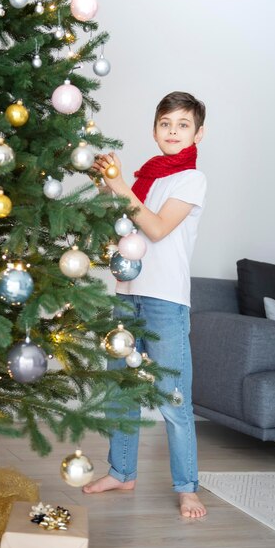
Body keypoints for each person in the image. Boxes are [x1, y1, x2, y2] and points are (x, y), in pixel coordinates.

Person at [83, 91, 207, 519]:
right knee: (120, 391)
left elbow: (154, 229)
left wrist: (120, 187)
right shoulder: (145, 178)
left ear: (198, 133)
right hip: (126, 293)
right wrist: (107, 184)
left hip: (165, 301)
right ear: (155, 129)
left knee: (172, 398)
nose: (173, 132)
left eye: (182, 125)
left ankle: (188, 487)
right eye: (165, 124)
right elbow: (124, 224)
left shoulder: (191, 179)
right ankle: (122, 471)